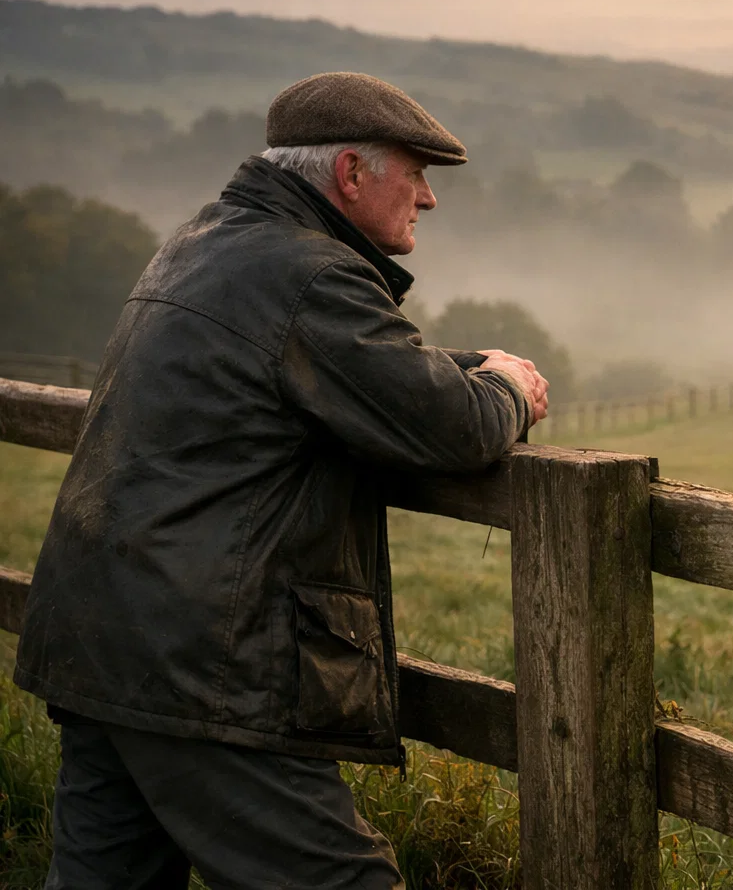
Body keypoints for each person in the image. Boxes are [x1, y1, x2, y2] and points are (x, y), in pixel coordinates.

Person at [14, 72, 550, 889]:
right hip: (199, 667)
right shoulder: (311, 276)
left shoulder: (209, 242)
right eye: (416, 172)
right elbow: (451, 427)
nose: (429, 198)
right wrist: (507, 388)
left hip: (102, 637)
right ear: (350, 173)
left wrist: (462, 365)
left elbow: (342, 367)